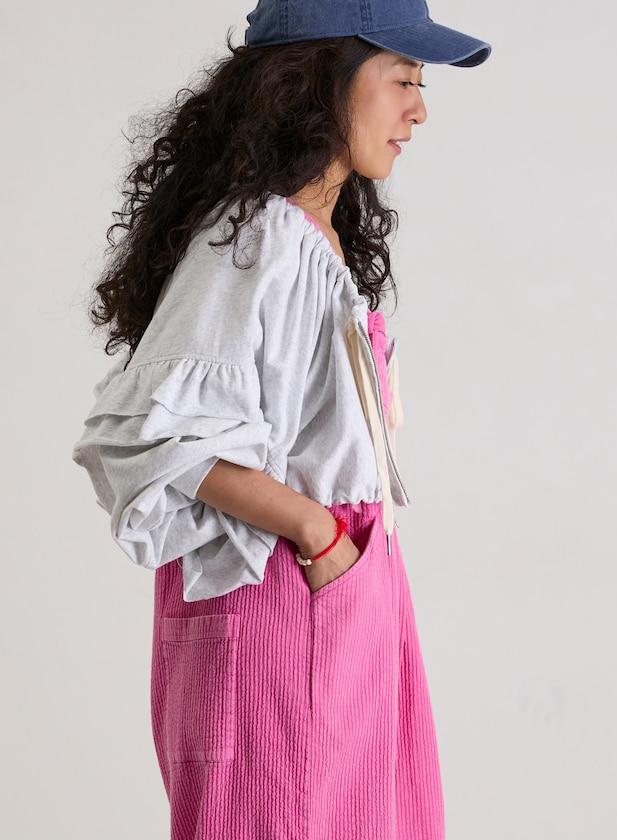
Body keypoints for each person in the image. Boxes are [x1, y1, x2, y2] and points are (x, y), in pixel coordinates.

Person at [71, 1, 491, 837]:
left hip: (349, 590)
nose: (419, 109)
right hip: (283, 593)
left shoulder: (315, 241)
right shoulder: (257, 239)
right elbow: (144, 432)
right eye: (403, 79)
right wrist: (316, 531)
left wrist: (346, 555)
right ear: (322, 79)